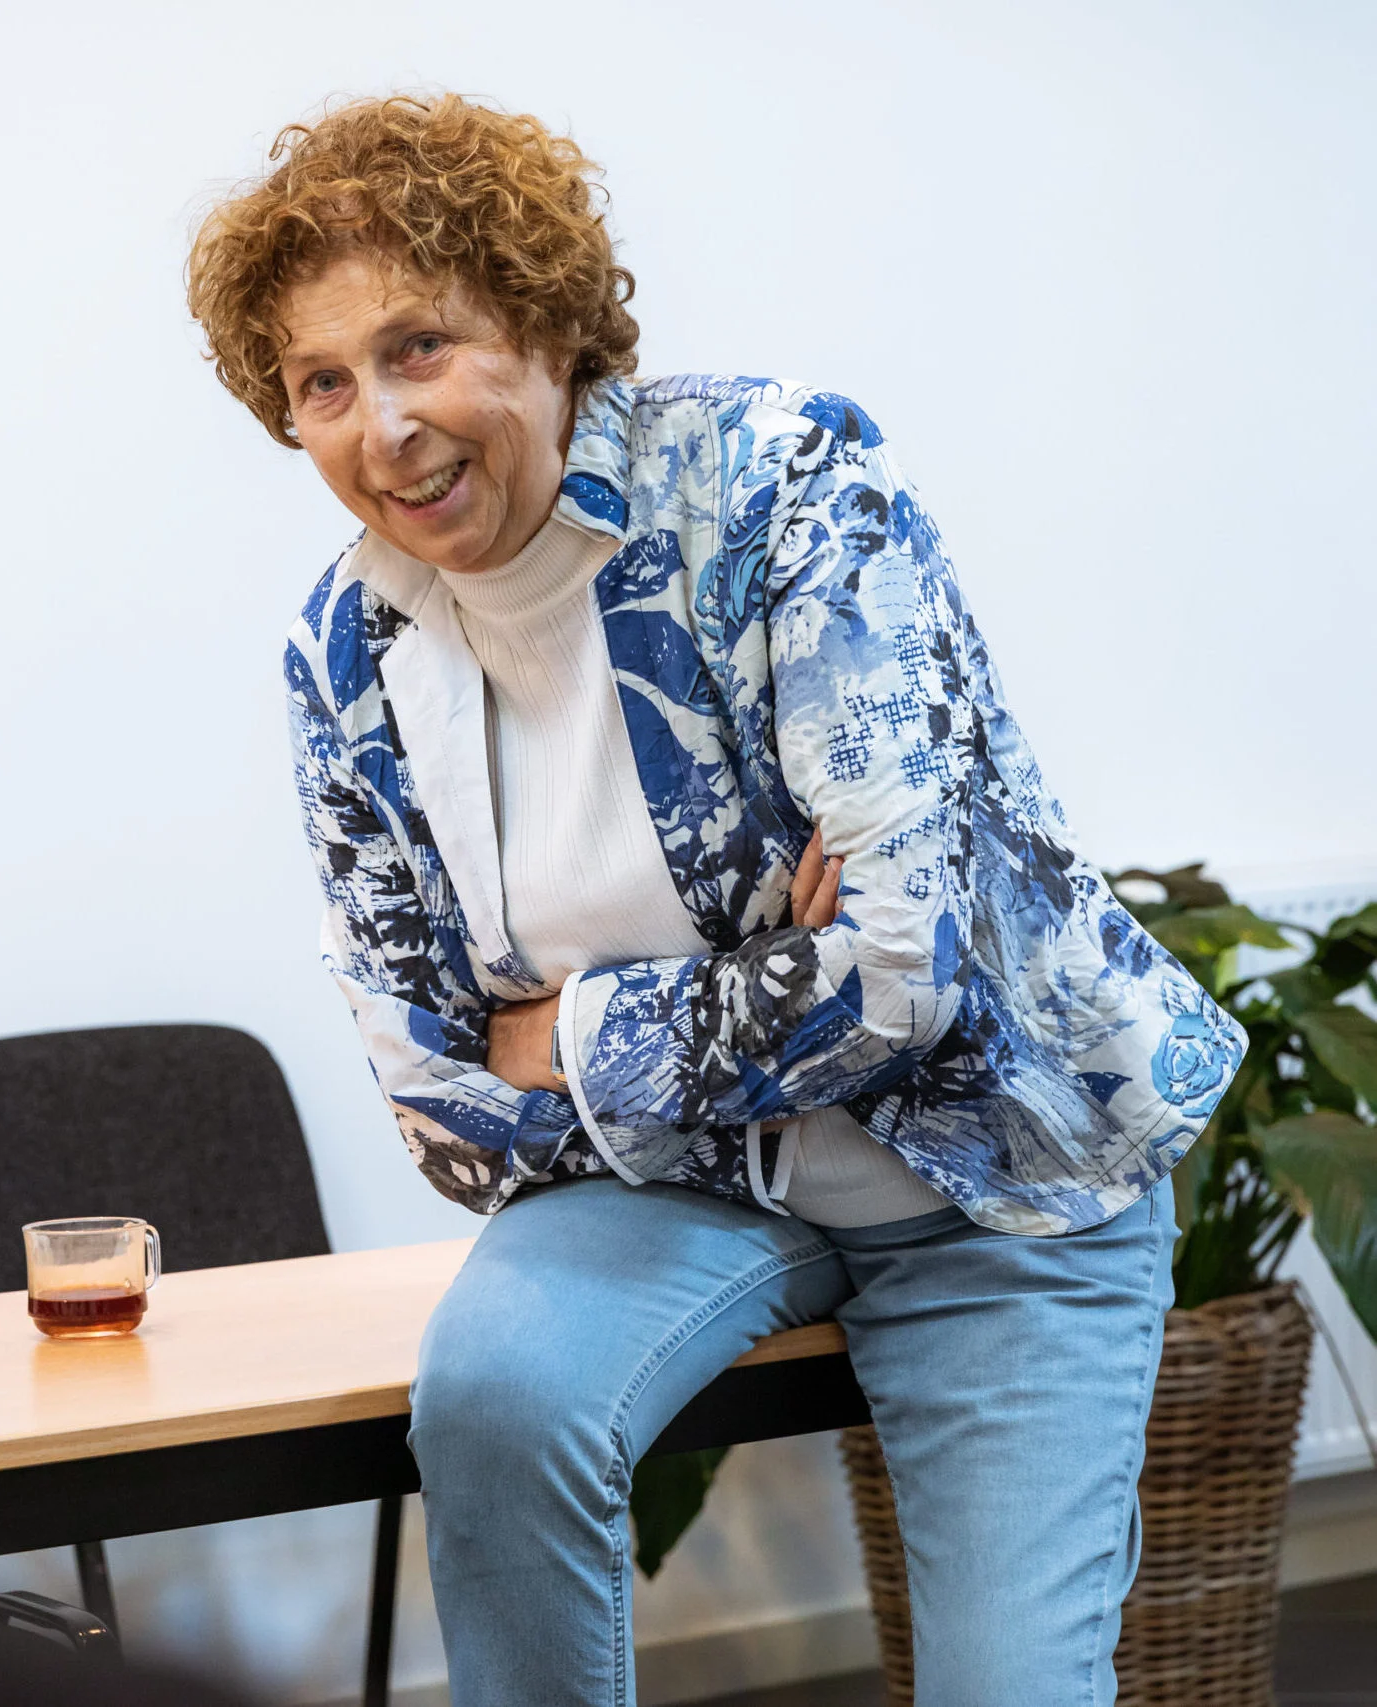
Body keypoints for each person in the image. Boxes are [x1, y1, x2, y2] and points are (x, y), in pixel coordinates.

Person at [187, 92, 1246, 1706]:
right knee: (492, 1397)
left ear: (546, 328)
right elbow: (444, 1103)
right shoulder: (343, 650)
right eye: (323, 382)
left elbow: (902, 975)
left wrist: (572, 1029)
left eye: (420, 347)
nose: (380, 426)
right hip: (680, 1190)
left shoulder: (778, 482)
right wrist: (768, 977)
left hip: (998, 1176)